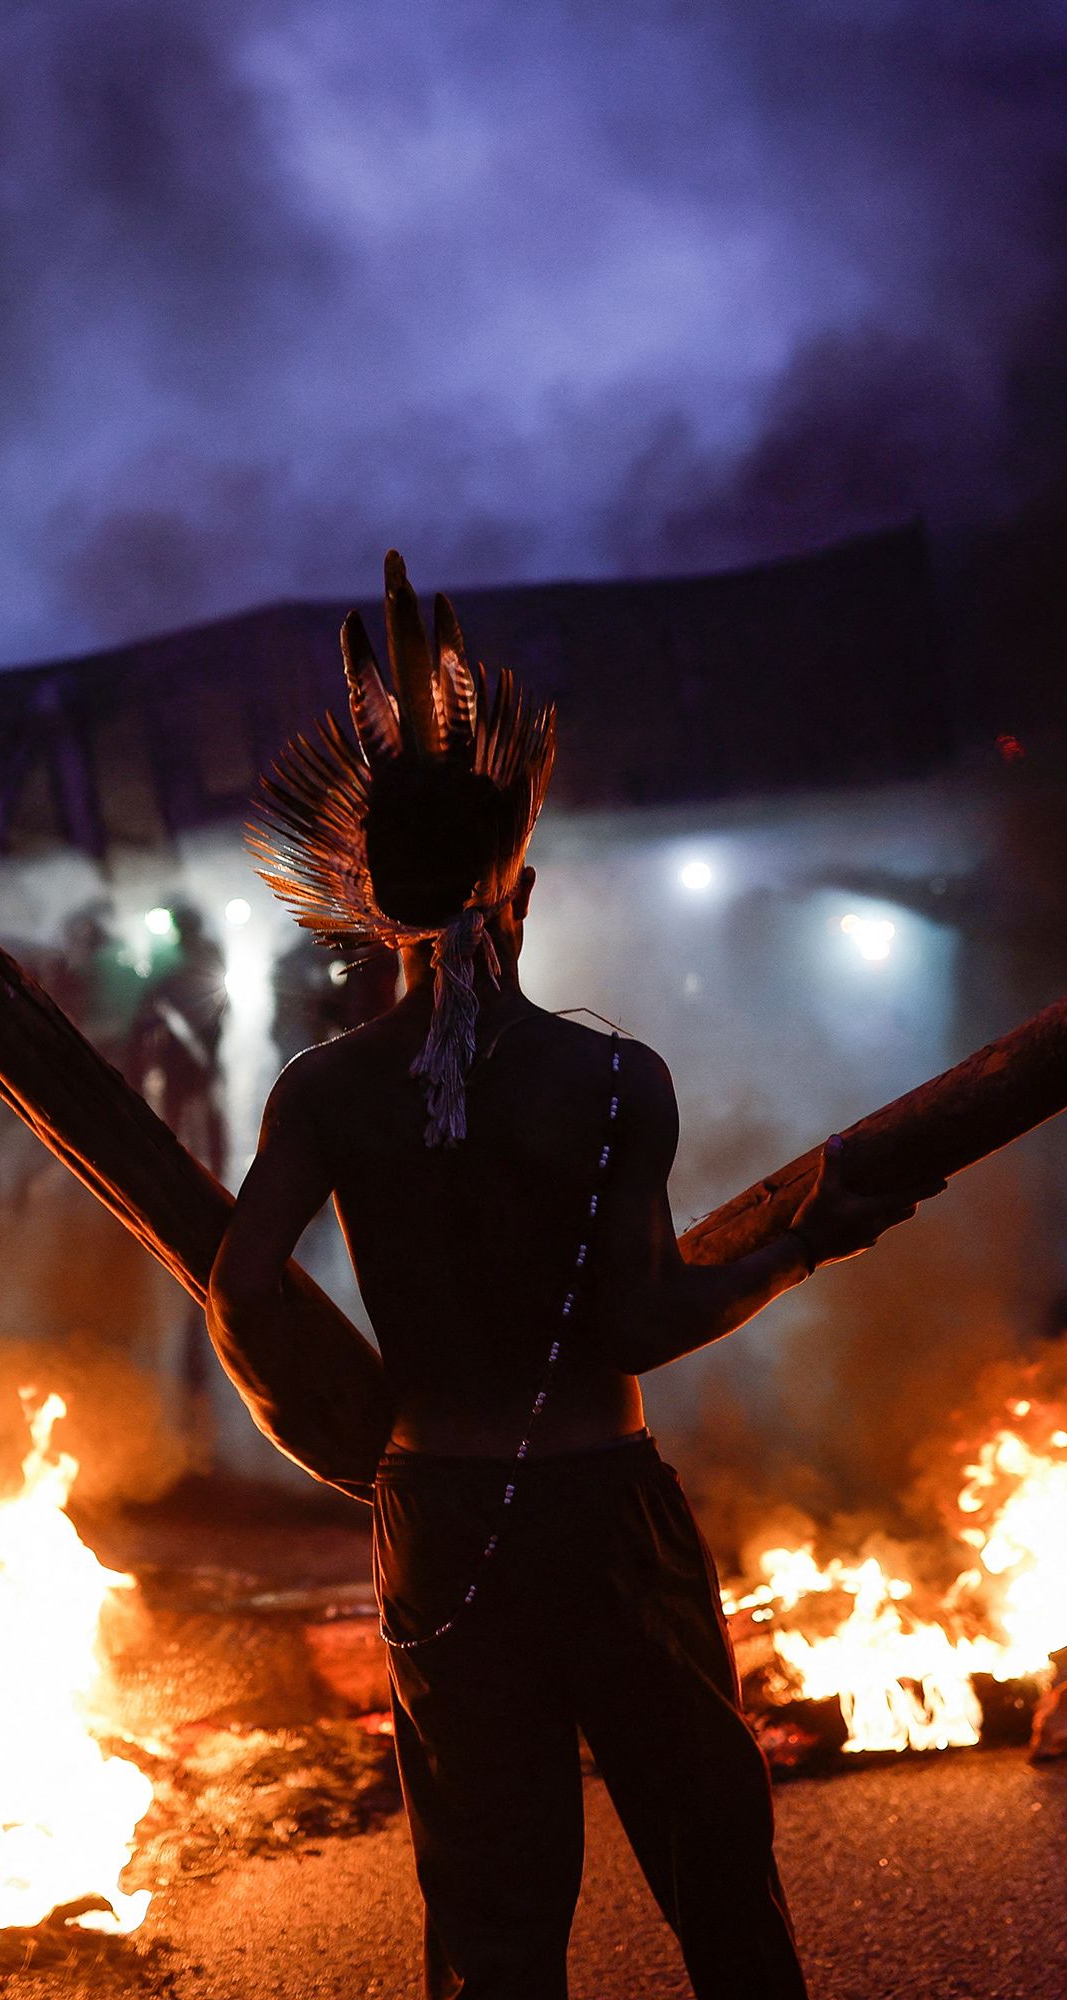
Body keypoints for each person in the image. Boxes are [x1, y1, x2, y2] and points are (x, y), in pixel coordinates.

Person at [208, 554, 939, 2000]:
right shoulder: (612, 1080)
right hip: (606, 1516)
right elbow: (642, 1319)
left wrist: (350, 1445)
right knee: (718, 1878)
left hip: (439, 1516)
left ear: (367, 906)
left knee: (491, 1918)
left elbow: (238, 1289)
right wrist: (803, 1246)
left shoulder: (331, 1090)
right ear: (521, 887)